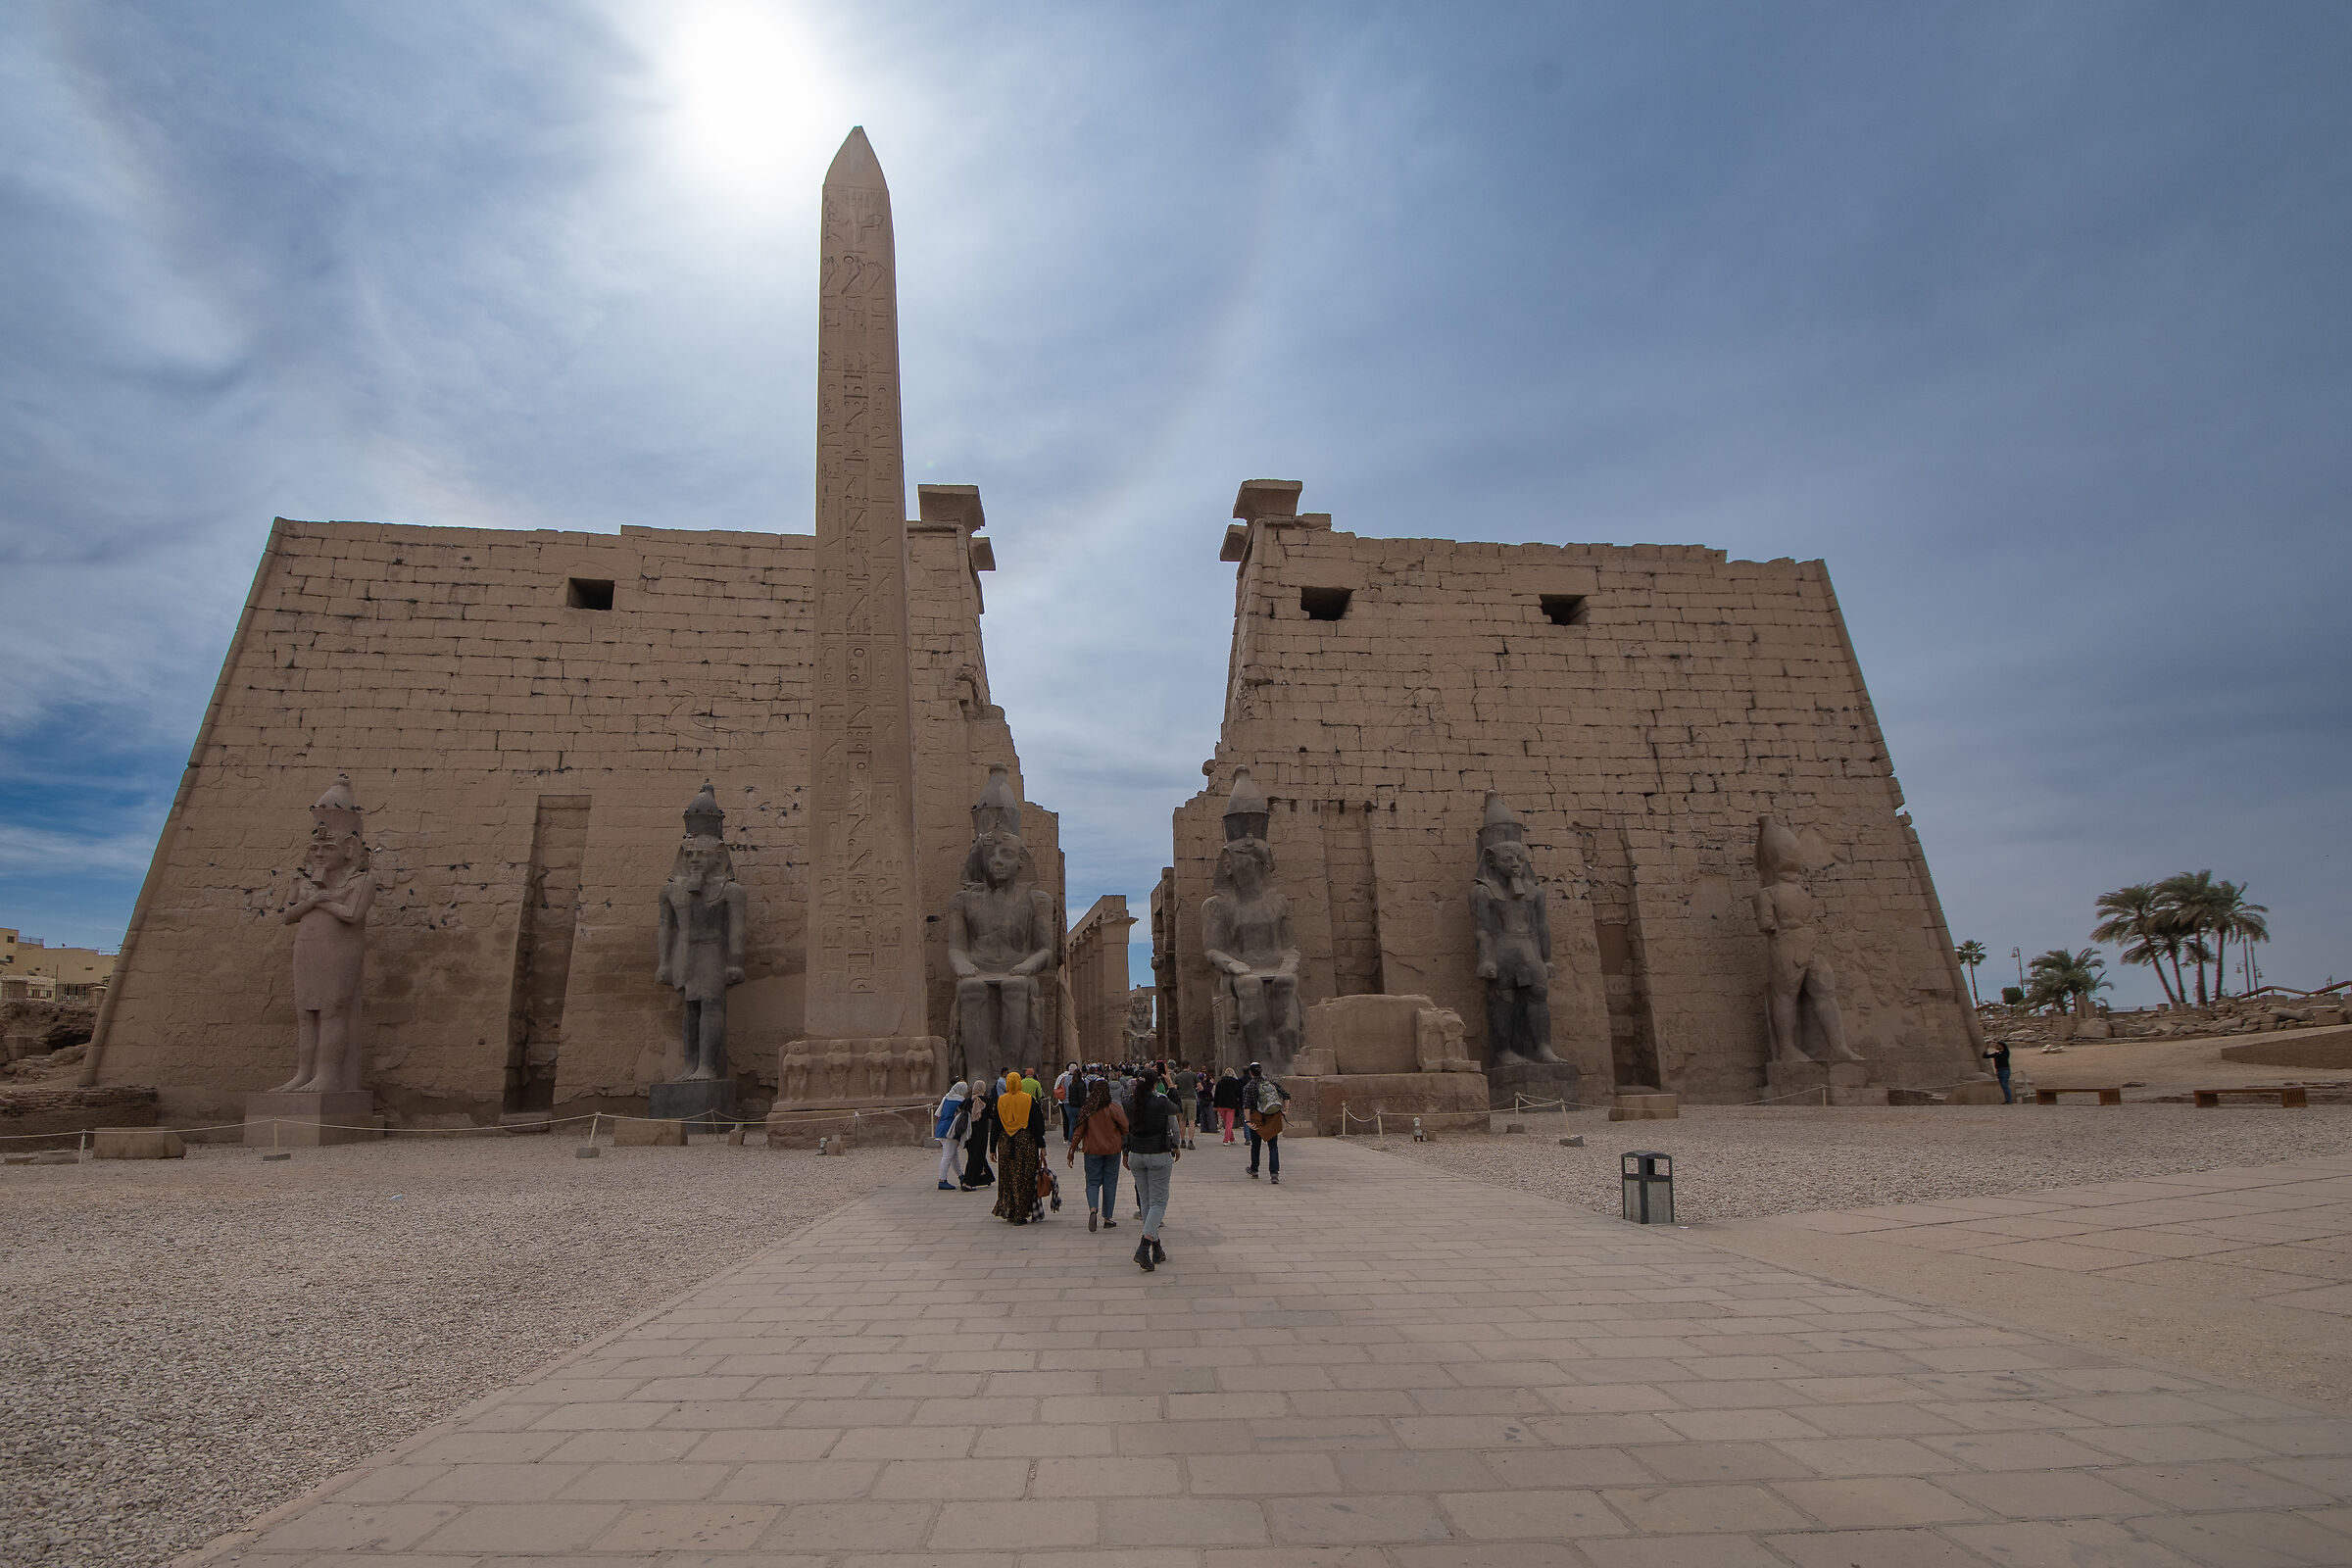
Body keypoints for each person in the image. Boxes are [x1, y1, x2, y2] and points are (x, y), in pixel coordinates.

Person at [1123, 1065, 1180, 1270]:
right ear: (1156, 1083)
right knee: (1158, 1203)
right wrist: (1171, 1084)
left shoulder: (1128, 1102)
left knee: (1146, 1203)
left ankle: (1157, 1249)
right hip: (1158, 1154)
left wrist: (1125, 1152)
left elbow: (1126, 1129)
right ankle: (1144, 1245)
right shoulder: (1162, 1102)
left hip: (1136, 1155)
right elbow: (1176, 1114)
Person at [1065, 1076, 1129, 1232]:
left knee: (1092, 1182)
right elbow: (1126, 1127)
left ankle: (1093, 1208)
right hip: (1112, 1150)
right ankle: (1107, 1218)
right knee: (1110, 1183)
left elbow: (1078, 1132)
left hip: (1092, 1150)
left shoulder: (1088, 1109)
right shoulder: (1113, 1108)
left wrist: (1071, 1150)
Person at [993, 1070, 1046, 1223]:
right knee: (1024, 1177)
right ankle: (1021, 1212)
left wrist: (991, 1149)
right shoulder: (1029, 1100)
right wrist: (1042, 1145)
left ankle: (1010, 1209)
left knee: (1007, 1177)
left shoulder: (1001, 1101)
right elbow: (1037, 1127)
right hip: (1025, 1143)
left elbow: (995, 1126)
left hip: (1005, 1143)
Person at [1244, 1061, 1290, 1184]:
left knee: (1256, 1145)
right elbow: (1286, 1095)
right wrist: (1286, 1110)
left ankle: (1254, 1169)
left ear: (1250, 1072)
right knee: (1273, 1146)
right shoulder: (1271, 1083)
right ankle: (1274, 1173)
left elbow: (1247, 1105)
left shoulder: (1249, 1086)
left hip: (1256, 1118)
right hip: (1272, 1118)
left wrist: (1247, 1121)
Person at [960, 1079, 997, 1191]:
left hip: (969, 1132)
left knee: (975, 1155)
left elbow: (961, 1110)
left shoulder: (967, 1101)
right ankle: (967, 1182)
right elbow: (991, 1116)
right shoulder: (988, 1101)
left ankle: (984, 1177)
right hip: (981, 1132)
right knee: (976, 1156)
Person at [934, 1081, 969, 1190]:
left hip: (941, 1128)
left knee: (953, 1155)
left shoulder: (946, 1098)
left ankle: (961, 1175)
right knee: (948, 1155)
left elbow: (938, 1113)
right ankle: (942, 1179)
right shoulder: (961, 1100)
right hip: (952, 1130)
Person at [1172, 1063, 1200, 1150]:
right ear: (1189, 1066)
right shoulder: (1193, 1075)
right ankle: (1190, 1141)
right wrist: (1194, 1088)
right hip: (1191, 1099)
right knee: (1192, 1121)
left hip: (1181, 1099)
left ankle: (1183, 1141)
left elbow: (1175, 1088)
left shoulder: (1178, 1076)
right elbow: (1200, 1087)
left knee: (1182, 1121)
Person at [1213, 1068, 1244, 1144]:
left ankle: (1232, 1138)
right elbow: (1239, 1094)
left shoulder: (1220, 1082)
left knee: (1227, 1122)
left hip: (1221, 1105)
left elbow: (1216, 1095)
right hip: (1231, 1105)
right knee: (1229, 1123)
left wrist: (1215, 1105)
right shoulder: (1235, 1082)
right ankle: (1226, 1140)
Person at [1985, 1038, 2013, 1103]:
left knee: (2004, 1085)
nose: (1996, 1046)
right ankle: (2007, 1100)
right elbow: (1985, 1056)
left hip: (2005, 1071)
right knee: (2003, 1086)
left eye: (1997, 1045)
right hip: (1999, 1071)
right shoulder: (1996, 1054)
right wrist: (1986, 1047)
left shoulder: (2005, 1053)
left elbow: (2004, 1046)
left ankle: (2009, 1100)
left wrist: (1996, 1042)